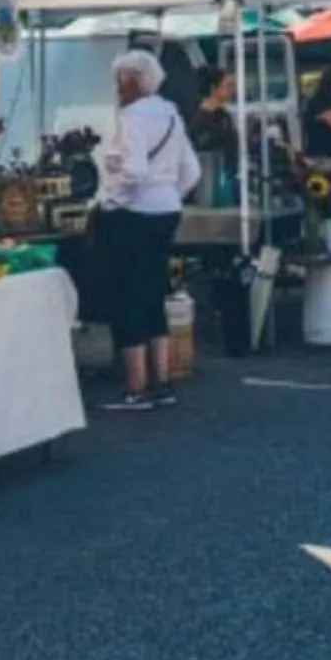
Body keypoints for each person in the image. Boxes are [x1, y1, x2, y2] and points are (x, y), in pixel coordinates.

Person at [92, 49, 201, 413]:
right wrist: (169, 193)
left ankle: (136, 387)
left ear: (132, 81)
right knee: (154, 293)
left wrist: (113, 199)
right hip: (166, 210)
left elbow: (133, 171)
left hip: (132, 214)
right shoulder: (171, 115)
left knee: (127, 298)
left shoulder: (131, 118)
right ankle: (163, 379)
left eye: (119, 80)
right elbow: (192, 171)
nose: (116, 88)